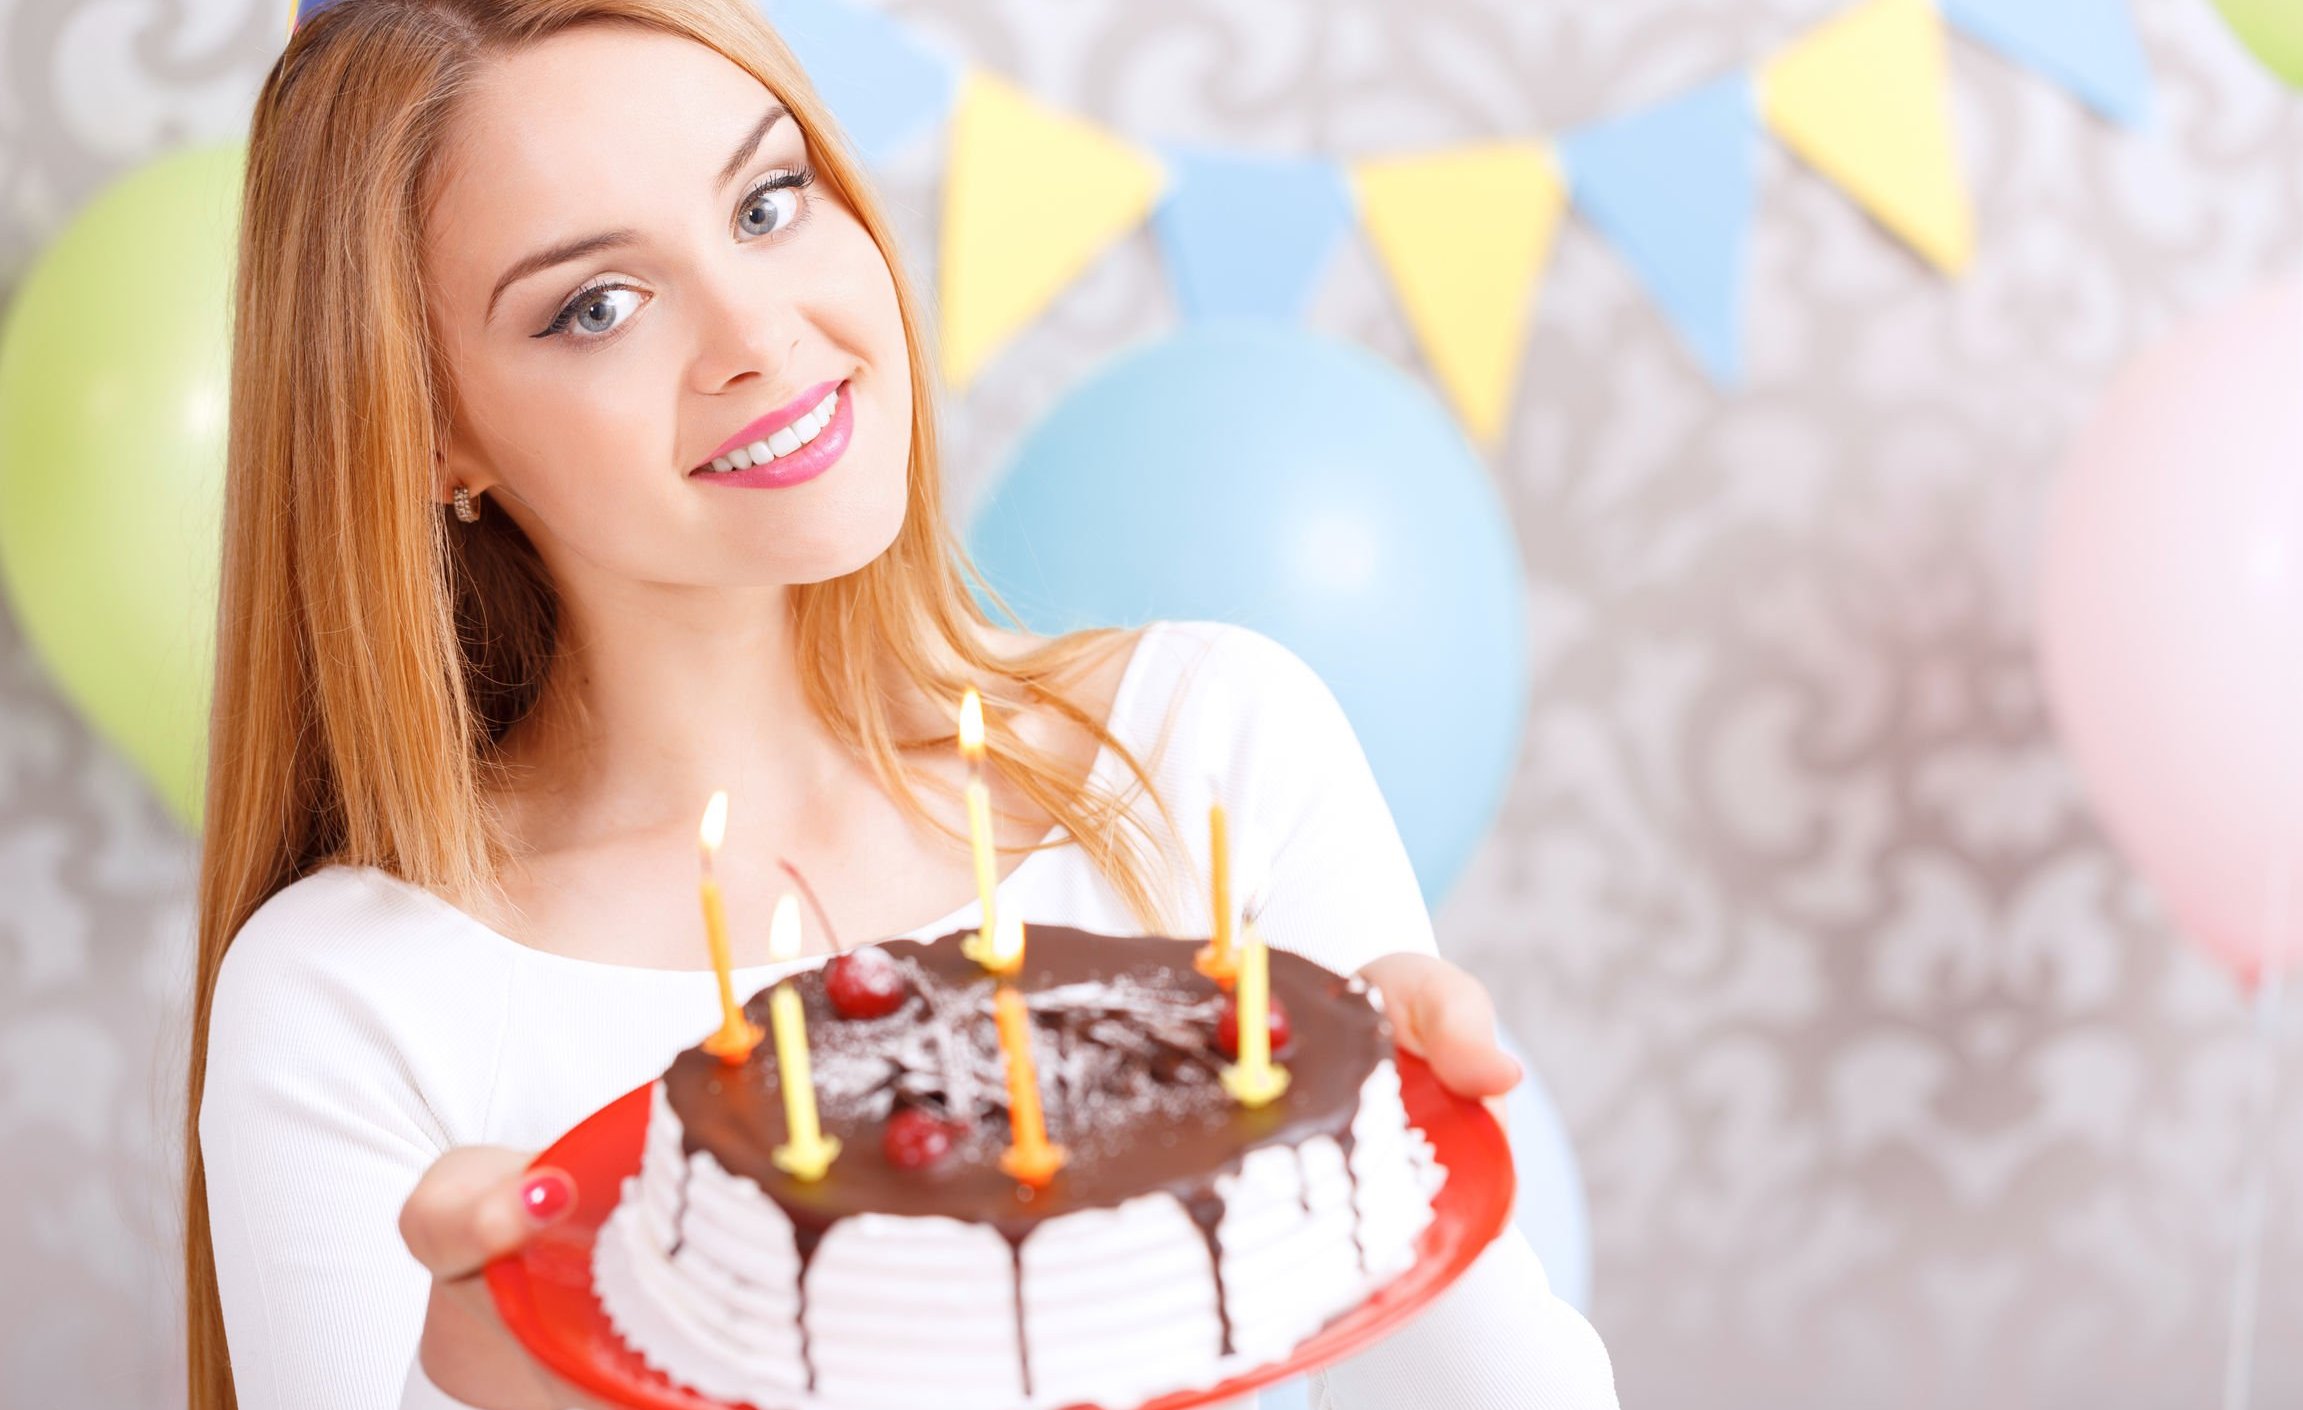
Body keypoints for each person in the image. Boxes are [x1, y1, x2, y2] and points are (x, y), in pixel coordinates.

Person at [183, 1, 1622, 1407]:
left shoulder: (1209, 751)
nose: (760, 329)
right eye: (596, 305)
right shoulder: (355, 1004)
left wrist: (1417, 1156)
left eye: (767, 203)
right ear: (432, 426)